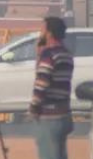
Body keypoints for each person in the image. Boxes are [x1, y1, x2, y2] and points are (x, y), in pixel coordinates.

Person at [31, 16, 73, 159]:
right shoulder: (66, 53)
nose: (40, 32)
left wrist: (34, 106)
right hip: (64, 113)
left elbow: (42, 82)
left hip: (49, 115)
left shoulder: (48, 54)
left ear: (49, 33)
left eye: (42, 29)